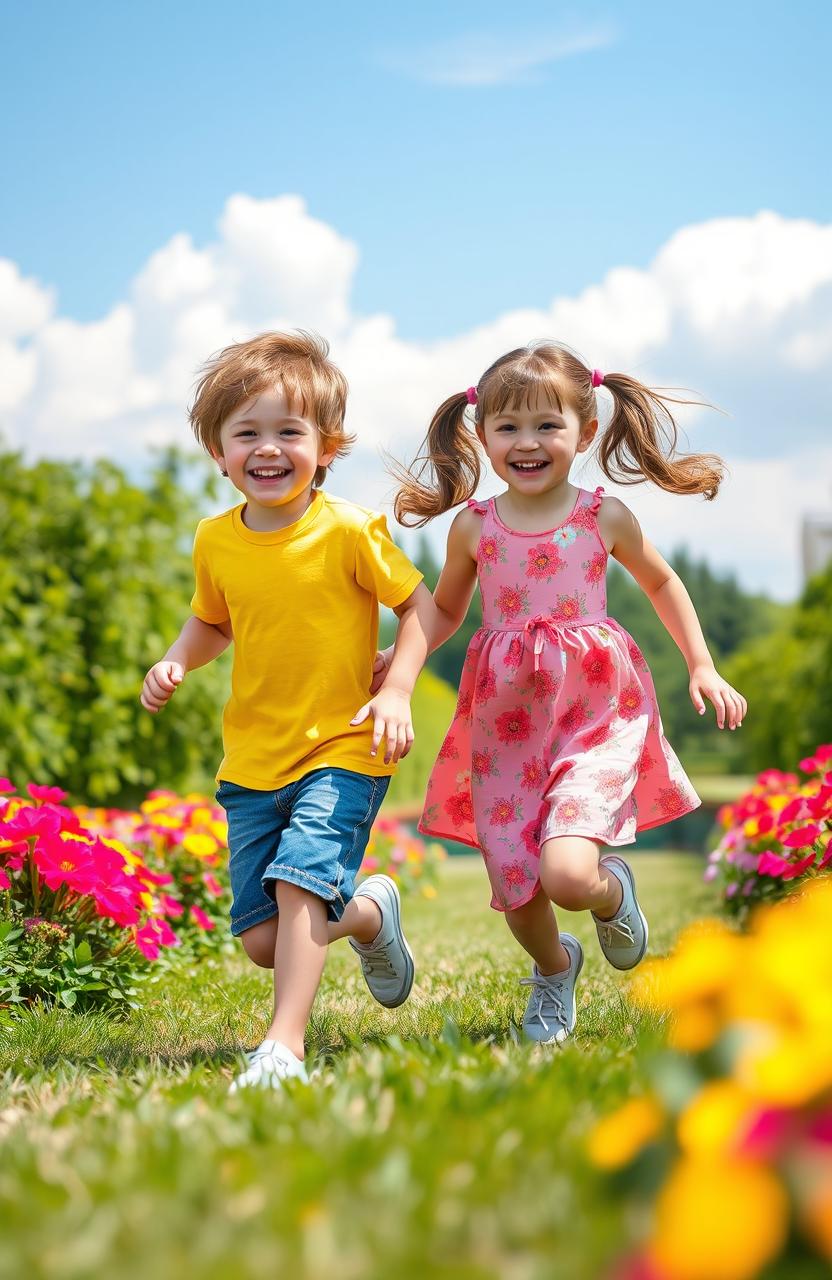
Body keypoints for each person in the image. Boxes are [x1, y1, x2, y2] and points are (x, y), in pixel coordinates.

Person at [385, 341, 746, 1046]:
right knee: (518, 886)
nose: (527, 442)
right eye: (508, 427)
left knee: (568, 874)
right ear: (481, 435)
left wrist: (701, 665)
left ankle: (609, 895)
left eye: (547, 425)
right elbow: (445, 612)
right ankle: (555, 967)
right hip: (505, 723)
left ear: (584, 432)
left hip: (593, 712)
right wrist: (398, 668)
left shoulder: (601, 517)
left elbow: (663, 583)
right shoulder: (473, 528)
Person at [141, 330, 433, 1090]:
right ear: (219, 451)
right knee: (267, 939)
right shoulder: (215, 540)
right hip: (253, 758)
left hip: (343, 743)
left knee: (302, 880)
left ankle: (282, 1048)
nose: (267, 449)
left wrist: (395, 688)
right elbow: (212, 622)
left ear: (326, 445)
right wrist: (178, 657)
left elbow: (423, 608)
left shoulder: (348, 529)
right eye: (247, 433)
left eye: (288, 432)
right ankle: (369, 915)